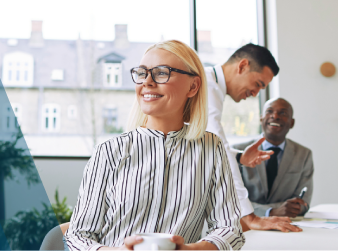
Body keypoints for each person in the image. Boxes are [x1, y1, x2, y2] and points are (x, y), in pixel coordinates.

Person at [64, 40, 244, 251]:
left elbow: (229, 229)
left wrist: (192, 250)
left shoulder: (211, 149)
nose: (146, 82)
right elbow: (77, 236)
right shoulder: (109, 151)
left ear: (193, 86)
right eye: (142, 73)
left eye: (161, 73)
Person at [204, 43, 301, 232]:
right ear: (242, 66)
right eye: (258, 84)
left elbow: (209, 147)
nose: (255, 94)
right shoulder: (207, 87)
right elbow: (218, 150)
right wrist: (249, 216)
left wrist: (240, 157)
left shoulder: (212, 85)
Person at [233, 98, 313, 218]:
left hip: (286, 226)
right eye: (269, 111)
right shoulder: (237, 151)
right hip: (245, 226)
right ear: (261, 118)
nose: (275, 116)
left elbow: (303, 202)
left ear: (292, 123)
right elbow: (232, 200)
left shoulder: (303, 154)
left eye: (283, 113)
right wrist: (271, 211)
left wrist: (295, 208)